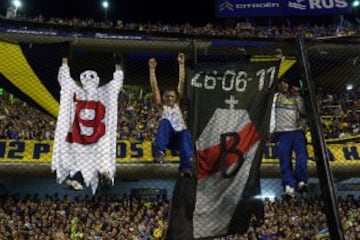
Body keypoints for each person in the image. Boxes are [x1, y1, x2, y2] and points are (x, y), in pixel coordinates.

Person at [148, 53, 194, 177]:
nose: (169, 98)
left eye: (172, 96)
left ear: (176, 98)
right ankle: (160, 152)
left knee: (185, 132)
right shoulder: (162, 106)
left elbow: (182, 82)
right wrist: (152, 70)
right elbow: (154, 87)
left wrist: (181, 65)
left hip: (179, 138)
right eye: (167, 96)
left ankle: (185, 168)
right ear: (163, 97)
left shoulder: (179, 105)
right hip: (167, 138)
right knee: (165, 122)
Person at [270, 78, 308, 198]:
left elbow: (303, 111)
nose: (284, 85)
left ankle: (301, 181)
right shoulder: (274, 97)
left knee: (302, 156)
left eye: (286, 83)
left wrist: (298, 96)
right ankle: (289, 186)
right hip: (281, 133)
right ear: (277, 85)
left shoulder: (295, 98)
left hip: (296, 131)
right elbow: (270, 113)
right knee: (285, 160)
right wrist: (270, 131)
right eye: (281, 83)